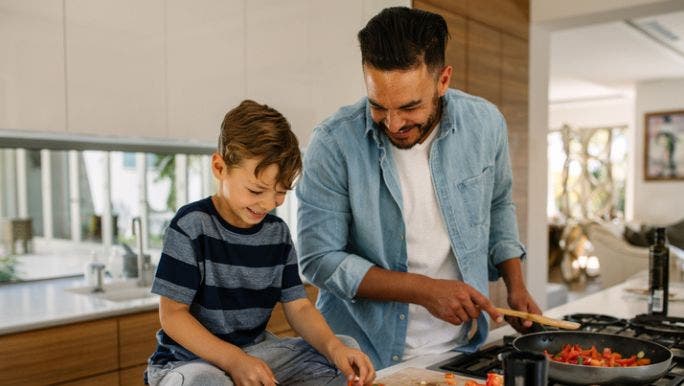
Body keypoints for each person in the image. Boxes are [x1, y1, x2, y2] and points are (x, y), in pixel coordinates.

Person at [296, 7, 541, 370]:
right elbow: (319, 259)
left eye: (410, 107)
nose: (393, 124)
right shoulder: (333, 143)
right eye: (378, 106)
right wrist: (424, 290)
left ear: (443, 80)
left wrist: (515, 284)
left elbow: (498, 203)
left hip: (462, 349)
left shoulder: (486, 124)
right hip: (359, 356)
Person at [145, 100, 375, 386]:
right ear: (220, 167)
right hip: (189, 363)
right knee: (205, 382)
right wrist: (233, 360)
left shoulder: (277, 234)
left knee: (343, 352)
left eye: (280, 192)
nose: (268, 204)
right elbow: (172, 316)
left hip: (255, 353)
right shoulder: (192, 225)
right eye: (256, 190)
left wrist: (334, 348)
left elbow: (299, 307)